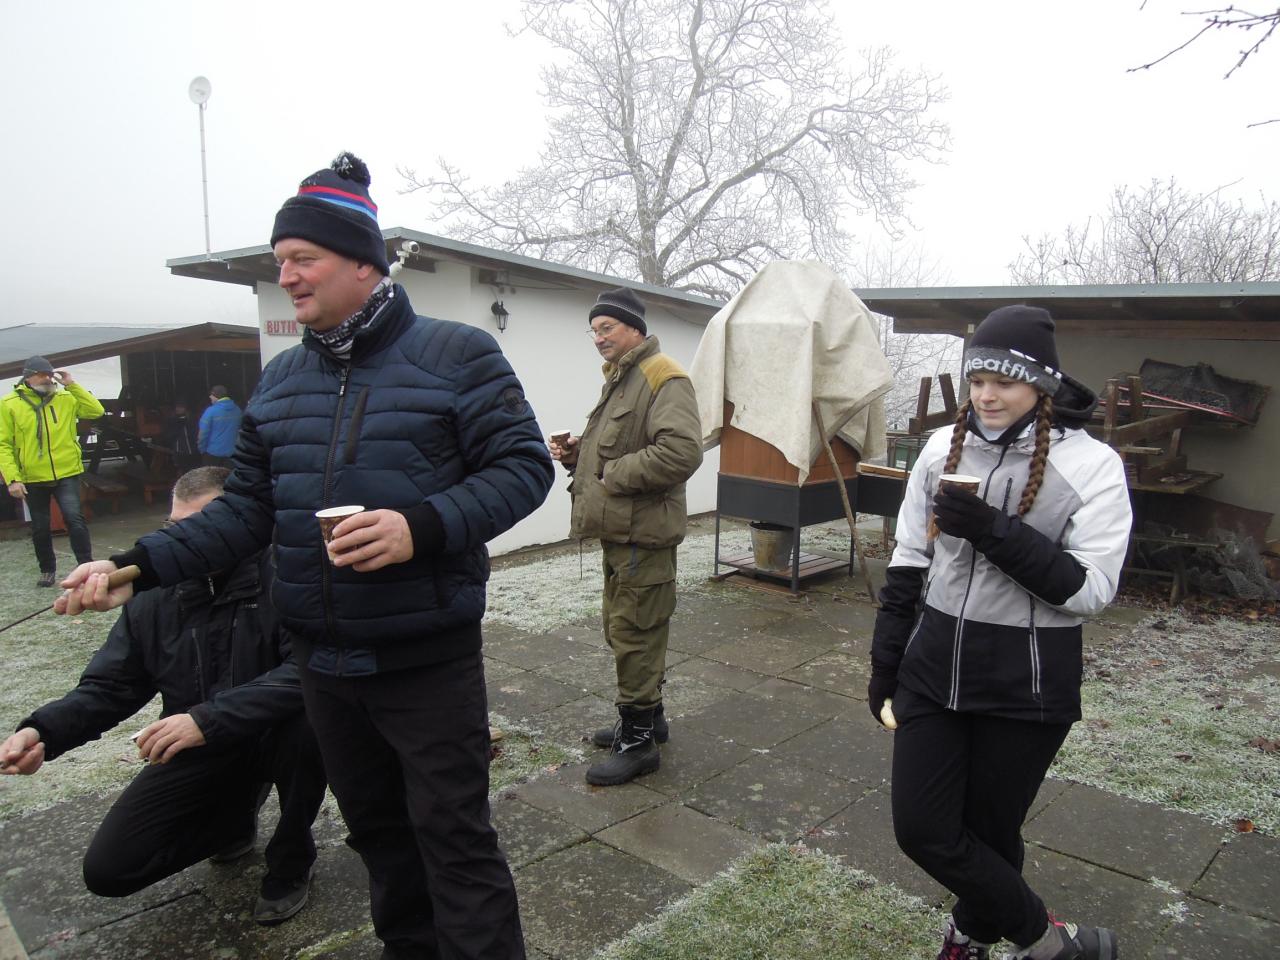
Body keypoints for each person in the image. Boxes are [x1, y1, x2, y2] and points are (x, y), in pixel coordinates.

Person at [57, 152, 553, 960]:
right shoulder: (282, 381)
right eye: (279, 260)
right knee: (379, 833)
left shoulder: (459, 355)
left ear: (362, 263)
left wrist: (420, 526)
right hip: (321, 665)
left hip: (425, 660)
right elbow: (244, 510)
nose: (285, 275)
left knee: (454, 840)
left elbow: (525, 469)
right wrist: (135, 566)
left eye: (302, 258)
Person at [867, 306, 1130, 960]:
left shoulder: (1092, 465)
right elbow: (908, 557)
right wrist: (886, 661)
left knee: (990, 833)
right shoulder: (940, 449)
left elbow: (1090, 590)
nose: (986, 395)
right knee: (923, 830)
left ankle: (970, 935)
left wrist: (992, 529)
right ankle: (1051, 942)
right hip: (932, 670)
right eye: (978, 379)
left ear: (1041, 385)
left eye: (1005, 382)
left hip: (1026, 685)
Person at [2, 467, 327, 925]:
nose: (187, 541)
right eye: (176, 528)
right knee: (111, 869)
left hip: (274, 732)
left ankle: (292, 859)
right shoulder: (153, 593)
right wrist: (42, 731)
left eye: (203, 528)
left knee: (312, 723)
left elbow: (305, 672)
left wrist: (205, 720)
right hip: (201, 742)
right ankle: (232, 823)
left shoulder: (288, 573)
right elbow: (112, 685)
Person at [549, 287, 703, 787]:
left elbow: (681, 453)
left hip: (645, 534)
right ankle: (650, 719)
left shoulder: (663, 376)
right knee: (627, 627)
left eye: (607, 327)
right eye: (593, 330)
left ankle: (638, 744)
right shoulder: (622, 378)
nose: (598, 338)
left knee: (636, 631)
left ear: (634, 327)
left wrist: (610, 473)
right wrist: (580, 454)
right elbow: (622, 446)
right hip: (621, 532)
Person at [0, 356, 104, 586]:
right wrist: (13, 479)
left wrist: (71, 384)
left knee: (75, 519)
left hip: (67, 471)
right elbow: (3, 444)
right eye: (41, 375)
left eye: (49, 374)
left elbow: (95, 411)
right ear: (28, 377)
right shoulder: (9, 403)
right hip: (32, 476)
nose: (47, 379)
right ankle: (47, 570)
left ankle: (86, 566)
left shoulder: (65, 397)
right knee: (40, 527)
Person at [198, 385, 243, 467]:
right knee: (228, 474)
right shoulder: (238, 410)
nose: (210, 397)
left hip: (213, 453)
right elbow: (241, 430)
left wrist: (202, 449)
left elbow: (203, 433)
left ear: (216, 396)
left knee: (212, 475)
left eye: (212, 395)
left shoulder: (210, 411)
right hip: (232, 453)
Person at [161, 400, 202, 473]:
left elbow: (196, 434)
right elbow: (168, 435)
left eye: (181, 407)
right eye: (177, 407)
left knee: (193, 471)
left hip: (192, 452)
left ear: (185, 408)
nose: (178, 409)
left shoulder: (192, 419)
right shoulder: (171, 420)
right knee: (183, 470)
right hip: (180, 452)